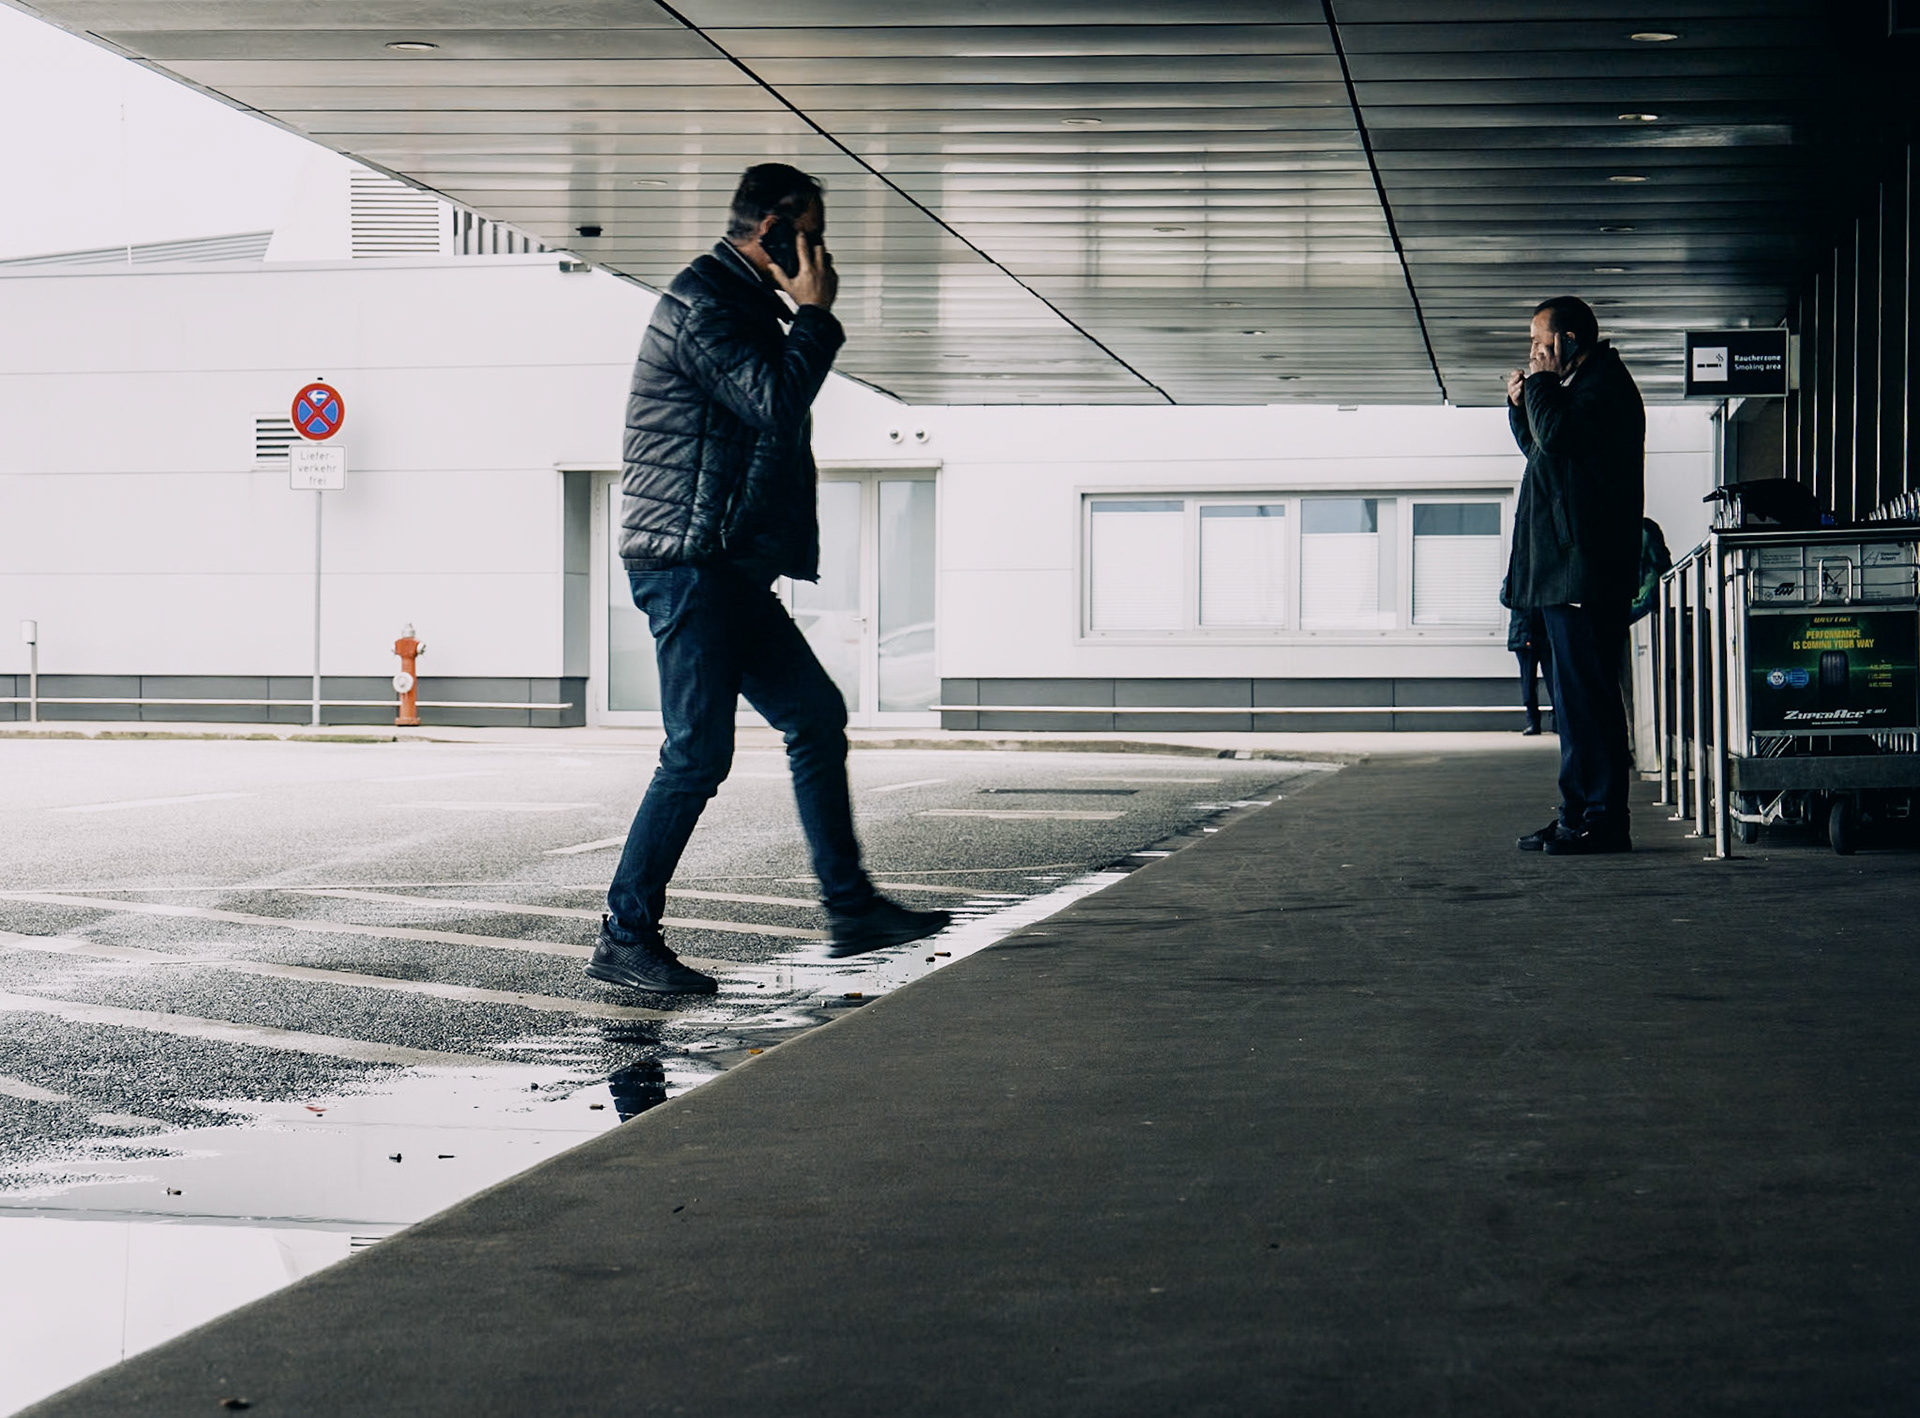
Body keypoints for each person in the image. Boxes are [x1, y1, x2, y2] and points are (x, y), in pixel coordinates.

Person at [587, 163, 950, 993]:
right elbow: (775, 404)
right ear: (775, 233)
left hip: (724, 566)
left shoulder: (742, 302)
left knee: (814, 715)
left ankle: (852, 907)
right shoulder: (707, 303)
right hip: (688, 564)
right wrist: (817, 315)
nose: (822, 253)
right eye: (812, 235)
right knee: (696, 755)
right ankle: (624, 935)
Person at [1503, 295, 1645, 856]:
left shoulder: (1603, 388)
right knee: (1572, 702)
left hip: (1585, 571)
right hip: (1568, 572)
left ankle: (1604, 818)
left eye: (1541, 346)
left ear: (1567, 341)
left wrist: (1537, 389)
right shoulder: (1580, 390)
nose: (1535, 357)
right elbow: (1542, 451)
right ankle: (1576, 814)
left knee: (1588, 701)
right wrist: (1522, 405)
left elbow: (1558, 437)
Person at [1507, 607, 1550, 736]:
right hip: (1525, 633)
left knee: (1554, 682)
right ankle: (1533, 721)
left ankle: (1555, 720)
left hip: (1542, 633)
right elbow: (1506, 598)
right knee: (1528, 682)